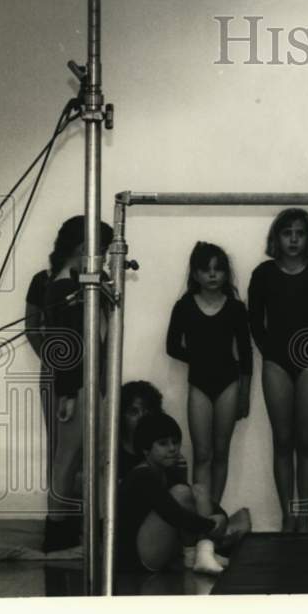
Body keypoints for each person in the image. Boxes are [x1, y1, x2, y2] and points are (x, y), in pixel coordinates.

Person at [248, 209, 308, 532]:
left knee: (306, 441)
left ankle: (305, 514)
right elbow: (254, 320)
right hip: (277, 363)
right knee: (283, 440)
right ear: (277, 238)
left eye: (300, 233)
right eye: (287, 233)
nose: (294, 239)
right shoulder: (264, 274)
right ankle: (287, 515)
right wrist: (269, 352)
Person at [40, 216, 114, 552]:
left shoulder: (71, 283)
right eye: (103, 253)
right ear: (85, 249)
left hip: (85, 380)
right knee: (68, 459)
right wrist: (69, 393)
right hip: (77, 382)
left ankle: (75, 532)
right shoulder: (62, 287)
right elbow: (65, 343)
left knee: (86, 457)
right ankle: (57, 536)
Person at [166, 242, 252, 505]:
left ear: (226, 274)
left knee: (220, 453)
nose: (213, 275)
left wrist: (244, 394)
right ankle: (202, 516)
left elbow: (246, 355)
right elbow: (171, 346)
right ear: (195, 274)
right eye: (206, 270)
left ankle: (215, 513)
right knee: (202, 455)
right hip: (199, 384)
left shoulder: (236, 308)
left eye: (218, 270)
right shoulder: (184, 306)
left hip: (229, 383)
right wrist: (199, 357)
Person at [117, 413, 246, 574]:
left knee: (199, 489)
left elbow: (207, 505)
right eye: (163, 444)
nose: (172, 448)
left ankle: (202, 554)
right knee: (182, 492)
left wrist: (221, 517)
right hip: (136, 559)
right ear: (145, 449)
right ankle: (204, 551)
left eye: (175, 442)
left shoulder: (165, 471)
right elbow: (174, 514)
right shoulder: (142, 475)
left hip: (155, 547)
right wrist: (212, 525)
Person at [117, 380, 166, 482]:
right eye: (134, 412)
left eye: (146, 411)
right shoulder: (111, 450)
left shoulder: (162, 448)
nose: (142, 417)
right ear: (121, 415)